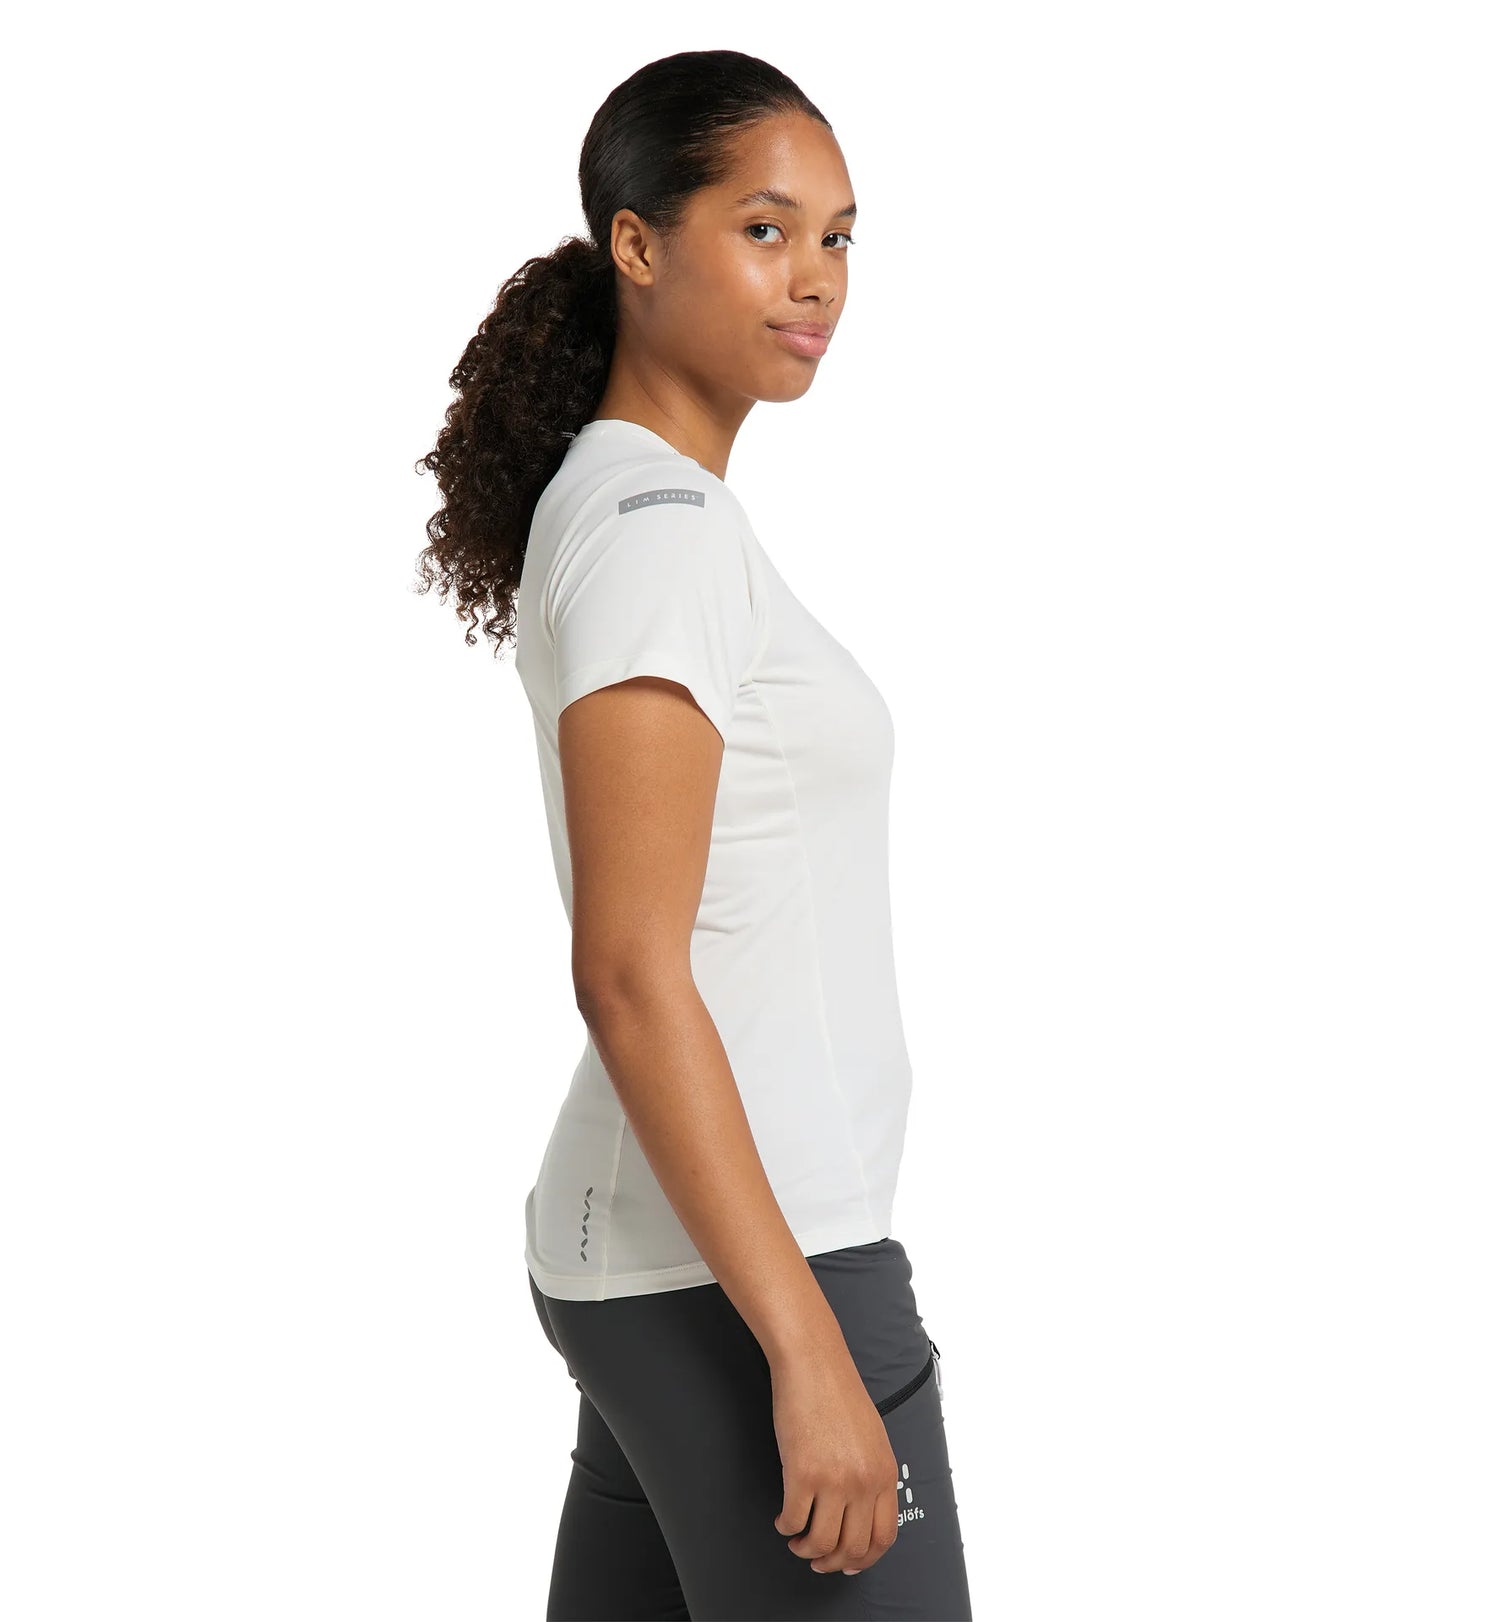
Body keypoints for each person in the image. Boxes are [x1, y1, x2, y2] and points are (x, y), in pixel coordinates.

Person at [416, 48, 973, 1622]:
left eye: (839, 236)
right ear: (638, 244)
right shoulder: (657, 531)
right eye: (765, 228)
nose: (816, 278)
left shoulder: (643, 509)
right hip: (754, 1261)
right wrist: (806, 1343)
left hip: (665, 1250)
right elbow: (627, 968)